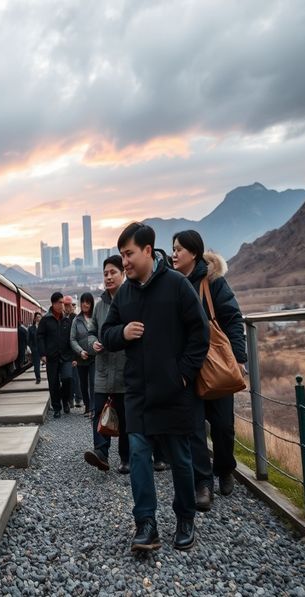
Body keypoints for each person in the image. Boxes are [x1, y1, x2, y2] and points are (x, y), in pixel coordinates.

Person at [101, 222, 209, 553]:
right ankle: (146, 525)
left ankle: (185, 518)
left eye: (129, 254)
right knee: (138, 455)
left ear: (148, 251)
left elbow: (199, 333)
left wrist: (183, 375)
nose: (125, 261)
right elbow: (107, 334)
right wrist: (123, 334)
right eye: (122, 255)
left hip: (173, 391)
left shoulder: (177, 285)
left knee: (180, 457)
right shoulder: (126, 293)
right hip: (137, 393)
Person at [172, 229, 247, 511]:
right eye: (173, 248)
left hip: (214, 364)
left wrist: (238, 356)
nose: (174, 254)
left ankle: (225, 468)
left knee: (223, 425)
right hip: (187, 367)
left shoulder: (214, 282)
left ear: (194, 252)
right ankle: (203, 483)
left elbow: (232, 317)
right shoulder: (172, 284)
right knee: (193, 428)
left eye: (179, 249)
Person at [83, 257, 129, 474]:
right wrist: (93, 343)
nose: (108, 277)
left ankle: (126, 458)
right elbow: (91, 332)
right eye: (105, 273)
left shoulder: (131, 300)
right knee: (99, 412)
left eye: (113, 272)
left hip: (125, 370)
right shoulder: (99, 306)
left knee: (125, 416)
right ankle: (101, 453)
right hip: (102, 370)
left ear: (123, 274)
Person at [37, 292, 75, 418]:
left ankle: (65, 401)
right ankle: (57, 407)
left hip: (66, 356)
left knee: (67, 378)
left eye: (63, 303)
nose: (62, 305)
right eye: (60, 302)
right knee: (53, 383)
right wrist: (43, 353)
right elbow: (40, 337)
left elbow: (71, 338)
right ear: (53, 304)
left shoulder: (67, 320)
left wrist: (74, 356)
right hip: (51, 357)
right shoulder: (45, 320)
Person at [70, 292, 96, 417]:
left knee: (93, 382)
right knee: (83, 384)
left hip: (95, 357)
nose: (85, 304)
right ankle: (87, 406)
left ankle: (93, 408)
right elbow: (72, 339)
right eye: (83, 302)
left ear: (91, 304)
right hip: (81, 358)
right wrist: (80, 351)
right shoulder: (76, 320)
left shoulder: (95, 317)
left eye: (88, 302)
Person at [27, 312, 42, 383]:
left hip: (44, 349)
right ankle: (38, 378)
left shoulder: (44, 327)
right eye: (37, 317)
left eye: (40, 317)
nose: (39, 318)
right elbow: (28, 339)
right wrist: (30, 348)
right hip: (35, 349)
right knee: (36, 365)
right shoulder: (31, 329)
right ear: (35, 319)